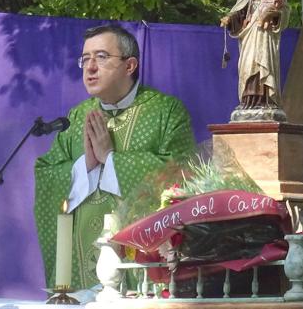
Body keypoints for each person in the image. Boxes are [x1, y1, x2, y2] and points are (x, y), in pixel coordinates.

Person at [34, 24, 196, 290]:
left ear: (130, 65)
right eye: (85, 59)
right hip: (79, 276)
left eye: (101, 57)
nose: (90, 67)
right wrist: (85, 165)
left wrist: (111, 160)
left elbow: (182, 175)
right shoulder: (76, 118)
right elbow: (46, 174)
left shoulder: (166, 111)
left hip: (142, 270)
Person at [220, 0, 289, 111]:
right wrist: (229, 18)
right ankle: (249, 99)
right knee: (248, 63)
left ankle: (266, 100)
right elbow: (241, 10)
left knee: (263, 61)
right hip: (250, 30)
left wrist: (273, 14)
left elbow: (284, 10)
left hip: (265, 32)